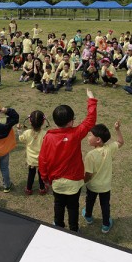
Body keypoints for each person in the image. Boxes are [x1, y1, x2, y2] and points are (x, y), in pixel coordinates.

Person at [39, 89, 98, 232]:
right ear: (71, 121)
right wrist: (91, 99)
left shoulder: (48, 137)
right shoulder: (76, 133)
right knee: (73, 206)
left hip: (57, 182)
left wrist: (45, 178)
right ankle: (74, 229)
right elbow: (90, 120)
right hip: (75, 181)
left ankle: (58, 226)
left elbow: (43, 160)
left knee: (58, 204)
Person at [82, 121, 124, 233]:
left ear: (98, 139)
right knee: (105, 205)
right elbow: (120, 141)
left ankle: (88, 217)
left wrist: (83, 182)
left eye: (90, 135)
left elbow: (88, 174)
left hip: (92, 186)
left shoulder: (90, 155)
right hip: (105, 186)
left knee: (89, 201)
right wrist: (117, 129)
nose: (88, 136)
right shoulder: (109, 149)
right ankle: (106, 224)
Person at [18, 110, 48, 195]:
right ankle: (42, 189)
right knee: (41, 174)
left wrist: (19, 130)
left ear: (30, 121)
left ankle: (28, 189)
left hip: (31, 160)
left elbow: (21, 138)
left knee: (31, 174)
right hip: (41, 160)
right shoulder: (45, 134)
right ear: (43, 122)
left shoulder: (27, 133)